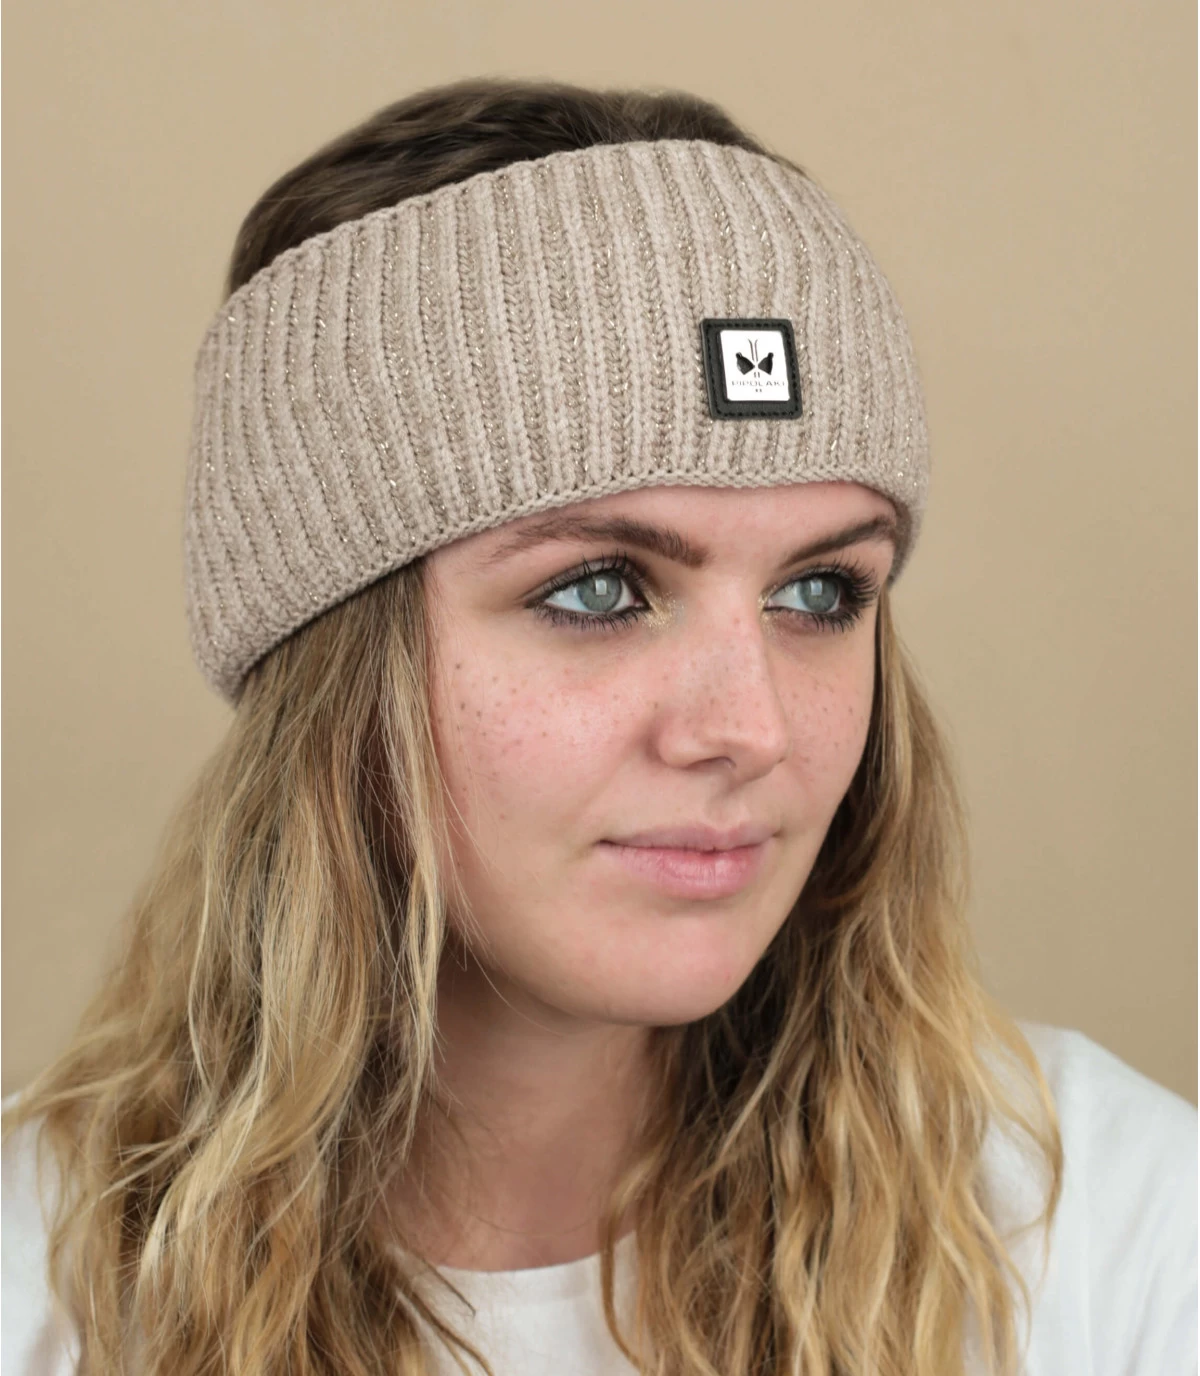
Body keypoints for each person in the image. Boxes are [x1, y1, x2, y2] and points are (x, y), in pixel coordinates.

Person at [2, 77, 1194, 1376]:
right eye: (597, 591)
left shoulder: (1105, 1229)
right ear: (327, 669)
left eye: (819, 592)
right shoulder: (37, 1289)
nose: (750, 728)